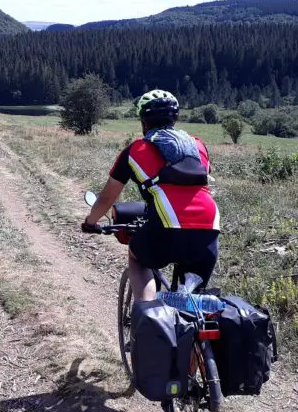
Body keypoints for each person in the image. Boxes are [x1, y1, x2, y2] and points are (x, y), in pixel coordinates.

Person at [81, 90, 221, 303]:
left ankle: (146, 316)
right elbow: (201, 180)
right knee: (190, 300)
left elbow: (107, 198)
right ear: (175, 118)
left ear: (143, 120)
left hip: (167, 224)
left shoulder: (136, 149)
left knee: (137, 258)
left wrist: (91, 223)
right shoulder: (198, 145)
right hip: (209, 226)